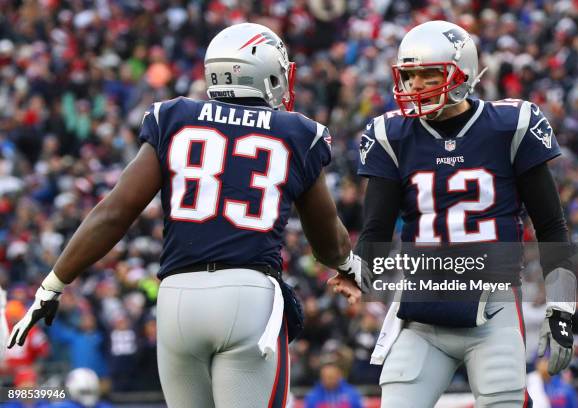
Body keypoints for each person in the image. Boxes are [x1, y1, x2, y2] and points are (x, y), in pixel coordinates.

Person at [8, 23, 365, 408]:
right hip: (247, 296)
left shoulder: (174, 116)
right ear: (268, 73)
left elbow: (114, 212)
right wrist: (347, 265)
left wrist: (52, 284)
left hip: (178, 301)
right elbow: (328, 242)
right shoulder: (297, 132)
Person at [330, 20, 576, 407]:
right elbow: (376, 227)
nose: (414, 86)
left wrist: (561, 305)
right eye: (409, 76)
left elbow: (550, 225)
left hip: (492, 309)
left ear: (463, 74)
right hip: (421, 312)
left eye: (429, 74)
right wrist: (359, 267)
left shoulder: (509, 127)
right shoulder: (391, 134)